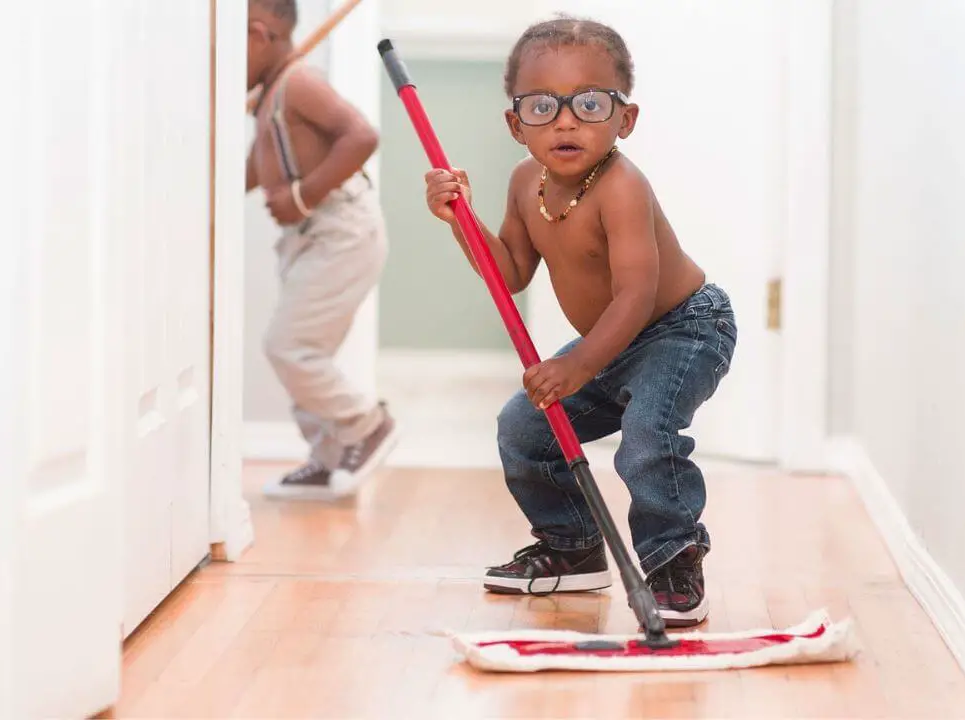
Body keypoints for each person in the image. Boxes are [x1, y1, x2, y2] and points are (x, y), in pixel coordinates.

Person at [422, 15, 737, 627]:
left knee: (648, 434)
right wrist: (461, 218)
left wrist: (575, 365)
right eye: (542, 106)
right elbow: (509, 272)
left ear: (626, 119)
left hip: (682, 328)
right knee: (525, 427)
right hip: (609, 341)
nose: (566, 120)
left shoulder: (622, 187)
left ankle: (673, 558)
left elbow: (638, 296)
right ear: (516, 124)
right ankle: (573, 548)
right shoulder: (524, 184)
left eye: (590, 103)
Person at [246, 0, 396, 499]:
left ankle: (364, 424)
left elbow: (361, 135)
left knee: (289, 345)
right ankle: (328, 454)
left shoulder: (297, 83)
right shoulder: (271, 91)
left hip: (339, 227)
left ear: (257, 35)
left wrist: (300, 195)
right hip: (307, 235)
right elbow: (257, 167)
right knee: (307, 349)